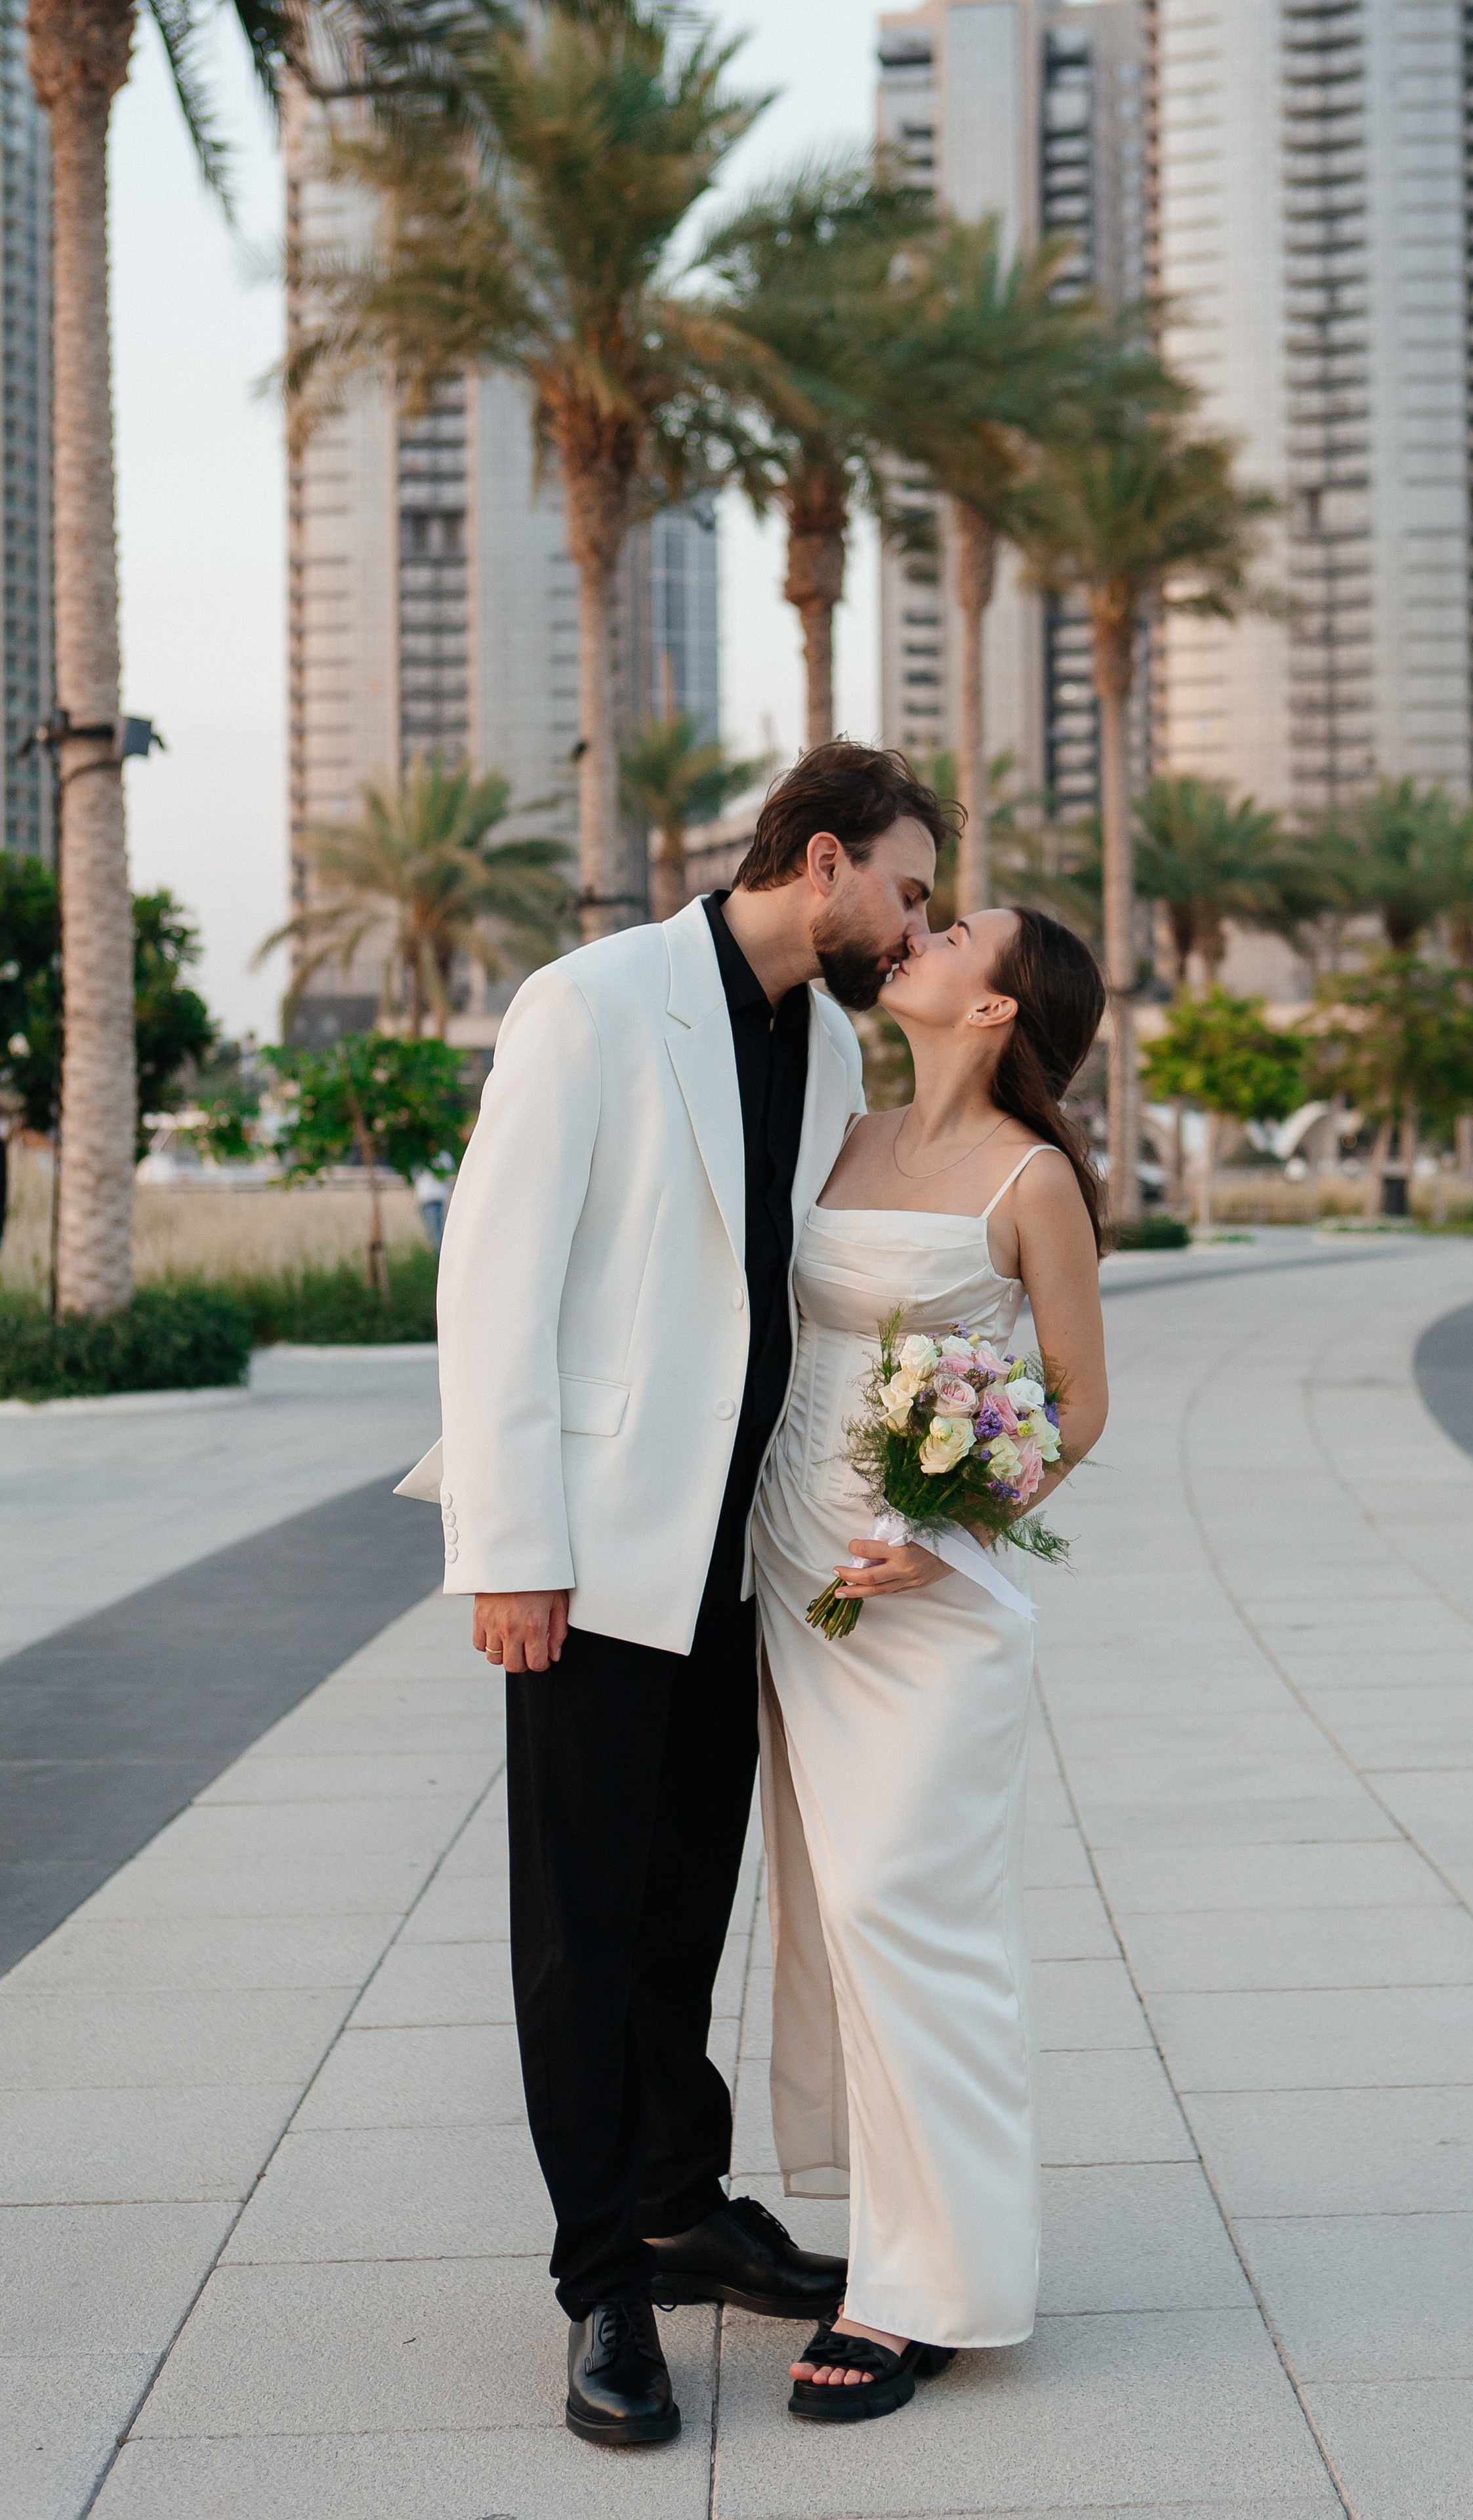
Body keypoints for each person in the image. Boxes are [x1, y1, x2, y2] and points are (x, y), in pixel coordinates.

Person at [396, 743, 949, 2449]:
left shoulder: (830, 1033)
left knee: (684, 1902)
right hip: (596, 1542)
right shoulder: (596, 1002)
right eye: (909, 888)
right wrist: (510, 1546)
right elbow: (494, 1276)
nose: (917, 920)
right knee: (582, 1924)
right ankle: (601, 2283)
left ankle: (679, 2195)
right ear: (825, 859)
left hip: (736, 1558)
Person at [750, 905, 1110, 2422]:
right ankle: (888, 2251)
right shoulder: (838, 1124)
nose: (918, 931)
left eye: (956, 932)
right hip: (795, 1564)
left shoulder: (1034, 1183)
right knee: (834, 1913)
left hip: (929, 1594)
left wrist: (952, 1514)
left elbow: (1077, 1407)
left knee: (913, 1906)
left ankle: (931, 2290)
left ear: (994, 1010)